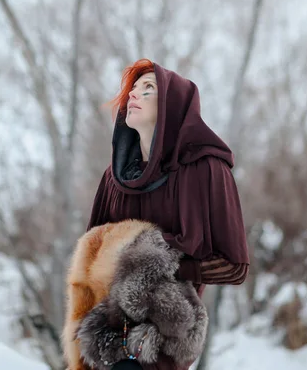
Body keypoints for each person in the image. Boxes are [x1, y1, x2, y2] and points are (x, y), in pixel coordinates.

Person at [86, 59, 249, 369]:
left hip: (167, 334)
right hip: (108, 334)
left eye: (148, 89)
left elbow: (235, 266)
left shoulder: (207, 168)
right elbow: (91, 257)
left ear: (173, 106)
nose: (133, 95)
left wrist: (159, 270)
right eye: (132, 89)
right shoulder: (114, 178)